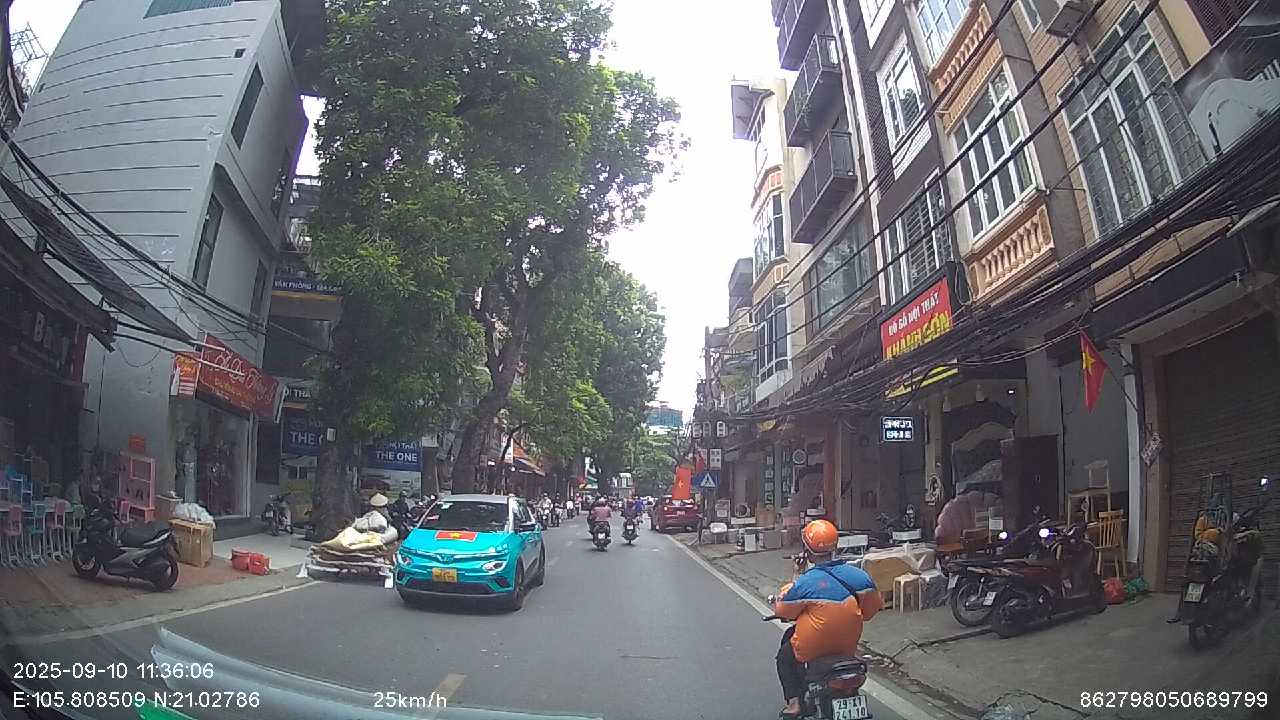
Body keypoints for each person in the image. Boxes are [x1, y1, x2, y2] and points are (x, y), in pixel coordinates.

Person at [772, 519, 882, 719]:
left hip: (811, 648)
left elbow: (784, 611)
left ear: (807, 550)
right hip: (847, 646)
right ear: (836, 546)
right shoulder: (860, 576)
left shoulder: (805, 582)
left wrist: (797, 573)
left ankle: (795, 704)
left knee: (784, 657)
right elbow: (871, 610)